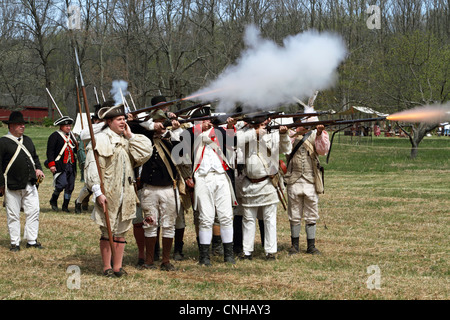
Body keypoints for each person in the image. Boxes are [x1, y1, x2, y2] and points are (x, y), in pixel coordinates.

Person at [84, 104, 152, 277]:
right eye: (119, 120)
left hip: (127, 192)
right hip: (108, 192)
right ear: (109, 121)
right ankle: (107, 267)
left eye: (124, 119)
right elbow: (93, 167)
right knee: (107, 230)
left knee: (122, 230)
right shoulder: (99, 140)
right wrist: (98, 192)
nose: (123, 122)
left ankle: (117, 267)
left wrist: (130, 135)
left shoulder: (127, 140)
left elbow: (145, 152)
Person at [177, 107, 237, 266]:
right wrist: (198, 129)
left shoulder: (220, 132)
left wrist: (230, 128)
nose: (207, 122)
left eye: (207, 119)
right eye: (203, 120)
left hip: (221, 176)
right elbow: (180, 148)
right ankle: (204, 257)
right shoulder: (189, 133)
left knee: (225, 216)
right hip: (202, 178)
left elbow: (232, 146)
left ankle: (228, 255)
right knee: (205, 218)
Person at [128, 108, 184, 271]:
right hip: (149, 189)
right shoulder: (144, 139)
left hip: (169, 189)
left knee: (168, 225)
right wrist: (152, 126)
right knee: (150, 224)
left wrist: (175, 128)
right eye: (159, 123)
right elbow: (133, 126)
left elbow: (182, 153)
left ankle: (166, 261)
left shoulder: (172, 138)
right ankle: (149, 261)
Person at [234, 114, 291, 260]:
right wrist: (254, 133)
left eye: (256, 125)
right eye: (253, 125)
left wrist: (283, 134)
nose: (255, 127)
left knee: (269, 219)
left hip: (268, 183)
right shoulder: (245, 133)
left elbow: (286, 149)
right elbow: (234, 141)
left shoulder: (273, 134)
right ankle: (247, 251)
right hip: (249, 184)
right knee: (248, 219)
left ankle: (270, 251)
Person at [0, 111, 45, 251]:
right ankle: (15, 242)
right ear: (11, 126)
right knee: (13, 215)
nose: (22, 126)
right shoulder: (2, 142)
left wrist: (38, 169)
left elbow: (35, 157)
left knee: (34, 211)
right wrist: (1, 184)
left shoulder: (28, 140)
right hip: (11, 184)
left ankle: (31, 240)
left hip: (30, 183)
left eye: (23, 124)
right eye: (19, 124)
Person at [285, 117, 330, 255]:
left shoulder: (318, 134)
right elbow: (286, 148)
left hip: (311, 178)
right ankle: (295, 245)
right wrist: (295, 132)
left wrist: (318, 133)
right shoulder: (289, 134)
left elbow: (323, 150)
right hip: (294, 178)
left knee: (311, 213)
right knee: (294, 213)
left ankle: (311, 245)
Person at [46, 116, 78, 212]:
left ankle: (65, 206)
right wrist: (51, 164)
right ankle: (54, 199)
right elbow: (50, 151)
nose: (69, 128)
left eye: (69, 126)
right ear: (61, 126)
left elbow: (75, 150)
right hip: (60, 165)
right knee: (62, 184)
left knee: (70, 186)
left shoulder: (72, 136)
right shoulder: (55, 136)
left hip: (71, 165)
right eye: (66, 126)